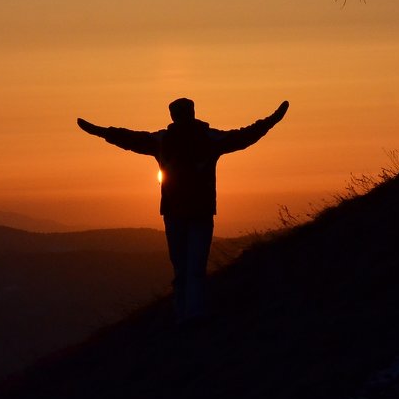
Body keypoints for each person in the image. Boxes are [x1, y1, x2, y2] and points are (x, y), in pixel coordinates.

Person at [77, 98, 289, 322]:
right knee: (193, 267)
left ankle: (186, 316)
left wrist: (99, 131)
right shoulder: (205, 138)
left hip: (178, 212)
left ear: (173, 115)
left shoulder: (166, 139)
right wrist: (272, 120)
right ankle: (191, 314)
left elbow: (130, 139)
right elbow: (244, 136)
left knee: (184, 268)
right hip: (197, 211)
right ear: (192, 112)